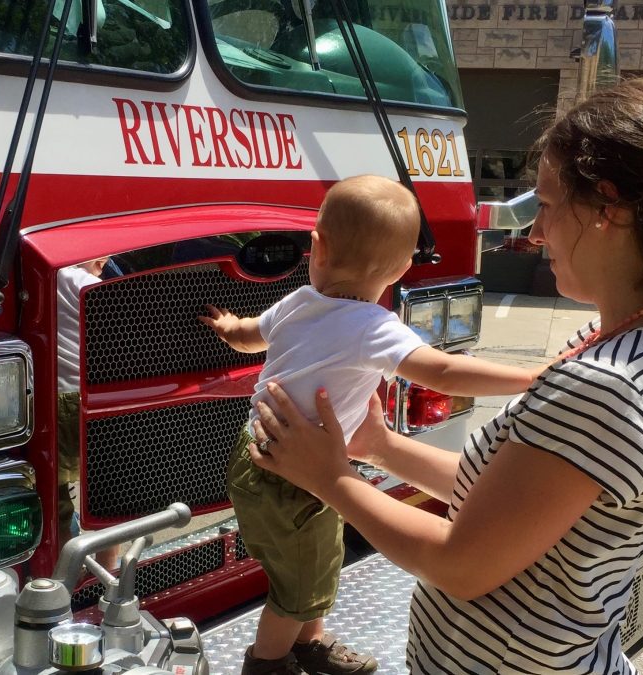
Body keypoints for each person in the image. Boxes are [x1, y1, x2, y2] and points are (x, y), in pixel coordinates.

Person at [244, 77, 643, 674]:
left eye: (546, 206)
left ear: (609, 210)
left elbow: (463, 564)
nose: (535, 233)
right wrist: (382, 447)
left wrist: (333, 481)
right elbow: (513, 499)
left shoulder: (608, 385)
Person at [200, 175, 545, 675]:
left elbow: (250, 337)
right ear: (403, 267)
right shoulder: (372, 327)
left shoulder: (298, 302)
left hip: (263, 457)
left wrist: (229, 326)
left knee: (317, 558)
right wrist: (527, 377)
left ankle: (310, 644)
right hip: (290, 472)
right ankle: (267, 664)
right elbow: (441, 370)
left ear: (315, 247)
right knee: (296, 586)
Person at [55, 257, 120, 576]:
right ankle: (108, 572)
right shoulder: (92, 288)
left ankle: (63, 576)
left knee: (55, 495)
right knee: (108, 490)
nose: (106, 261)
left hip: (48, 397)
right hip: (89, 396)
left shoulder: (43, 280)